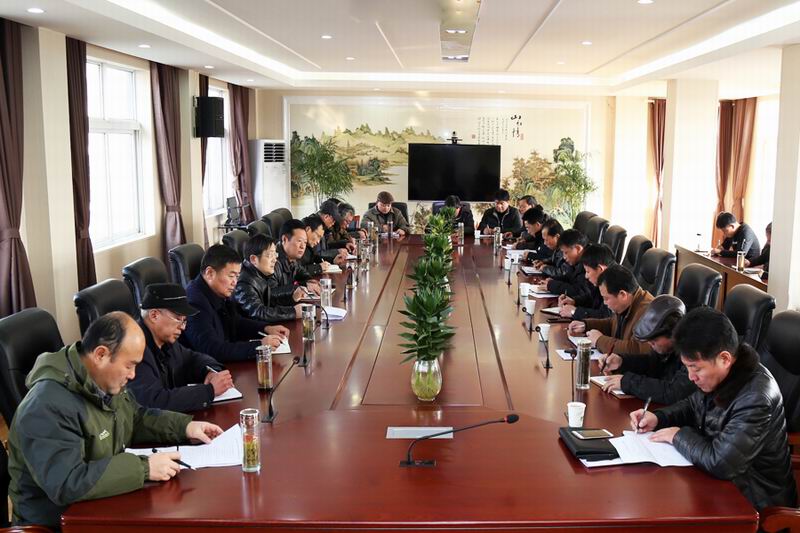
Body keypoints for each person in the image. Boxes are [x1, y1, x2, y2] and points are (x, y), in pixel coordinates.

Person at [8, 312, 224, 528]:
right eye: (129, 365)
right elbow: (66, 482)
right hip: (60, 523)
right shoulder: (45, 406)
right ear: (101, 355)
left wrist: (185, 427)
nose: (133, 375)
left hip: (100, 504)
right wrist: (144, 468)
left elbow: (134, 418)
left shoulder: (101, 380)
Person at [631, 307, 797, 511]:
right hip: (721, 485)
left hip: (754, 502)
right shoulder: (722, 373)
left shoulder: (756, 397)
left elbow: (721, 463)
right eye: (687, 367)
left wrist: (678, 435)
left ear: (724, 359)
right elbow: (693, 405)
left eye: (696, 368)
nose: (691, 377)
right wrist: (658, 418)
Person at [128, 284, 235, 412]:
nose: (183, 327)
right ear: (154, 315)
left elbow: (193, 358)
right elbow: (153, 401)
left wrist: (210, 372)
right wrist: (209, 391)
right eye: (179, 319)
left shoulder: (166, 339)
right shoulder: (134, 348)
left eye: (185, 320)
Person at [183, 244, 288, 362]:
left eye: (237, 276)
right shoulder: (194, 303)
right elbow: (212, 350)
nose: (235, 282)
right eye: (231, 276)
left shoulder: (219, 291)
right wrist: (259, 346)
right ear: (210, 273)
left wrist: (266, 328)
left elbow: (236, 322)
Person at [598, 295, 696, 404]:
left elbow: (674, 392)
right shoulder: (668, 348)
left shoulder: (692, 352)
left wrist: (628, 383)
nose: (650, 344)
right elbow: (652, 364)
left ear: (674, 334)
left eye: (654, 340)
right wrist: (622, 361)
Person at [569, 264, 653, 355]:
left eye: (606, 298)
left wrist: (599, 341)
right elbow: (612, 324)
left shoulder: (648, 312)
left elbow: (636, 350)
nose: (604, 303)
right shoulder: (627, 304)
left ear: (622, 295)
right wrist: (586, 325)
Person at [234, 234, 305, 323]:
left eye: (275, 254)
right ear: (254, 259)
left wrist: (292, 297)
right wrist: (293, 312)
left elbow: (268, 300)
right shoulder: (243, 283)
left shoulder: (258, 273)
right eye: (270, 255)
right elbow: (258, 312)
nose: (275, 260)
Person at [559, 243, 614, 320]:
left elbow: (606, 316)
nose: (586, 276)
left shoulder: (614, 283)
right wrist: (575, 301)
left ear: (600, 269)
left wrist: (574, 312)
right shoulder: (604, 278)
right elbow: (592, 298)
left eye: (588, 271)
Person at [535, 229, 592, 301]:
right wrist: (553, 281)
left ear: (578, 248)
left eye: (566, 252)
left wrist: (553, 286)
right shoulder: (576, 261)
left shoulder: (590, 263)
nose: (564, 257)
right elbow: (570, 278)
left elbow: (581, 291)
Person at [272, 218, 323, 290]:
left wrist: (309, 282)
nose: (302, 247)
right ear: (285, 239)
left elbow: (301, 272)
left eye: (305, 242)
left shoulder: (292, 259)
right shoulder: (272, 262)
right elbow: (271, 293)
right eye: (299, 241)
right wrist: (296, 289)